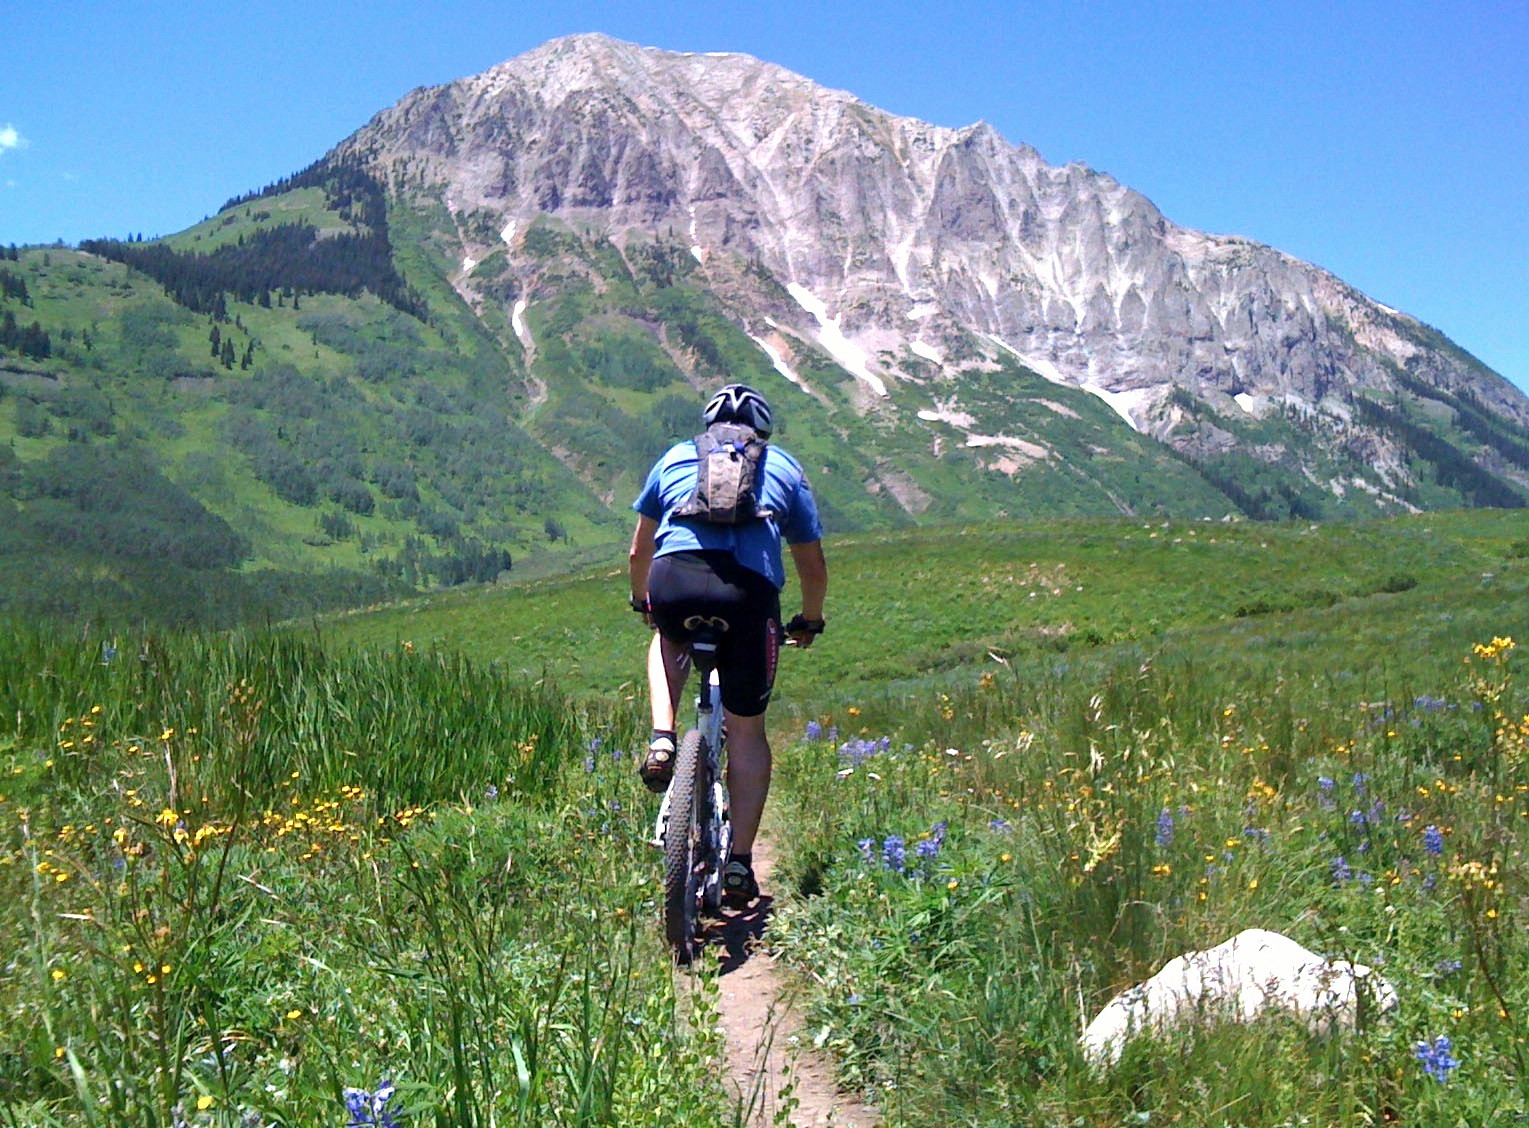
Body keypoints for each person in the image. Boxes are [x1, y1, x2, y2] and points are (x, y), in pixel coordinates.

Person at [628, 384, 828, 907]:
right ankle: (739, 862)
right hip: (748, 597)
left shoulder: (675, 456)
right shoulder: (782, 466)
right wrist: (809, 619)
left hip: (676, 580)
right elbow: (812, 562)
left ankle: (664, 737)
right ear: (762, 431)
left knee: (663, 634)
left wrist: (641, 600)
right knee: (746, 733)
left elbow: (638, 550)